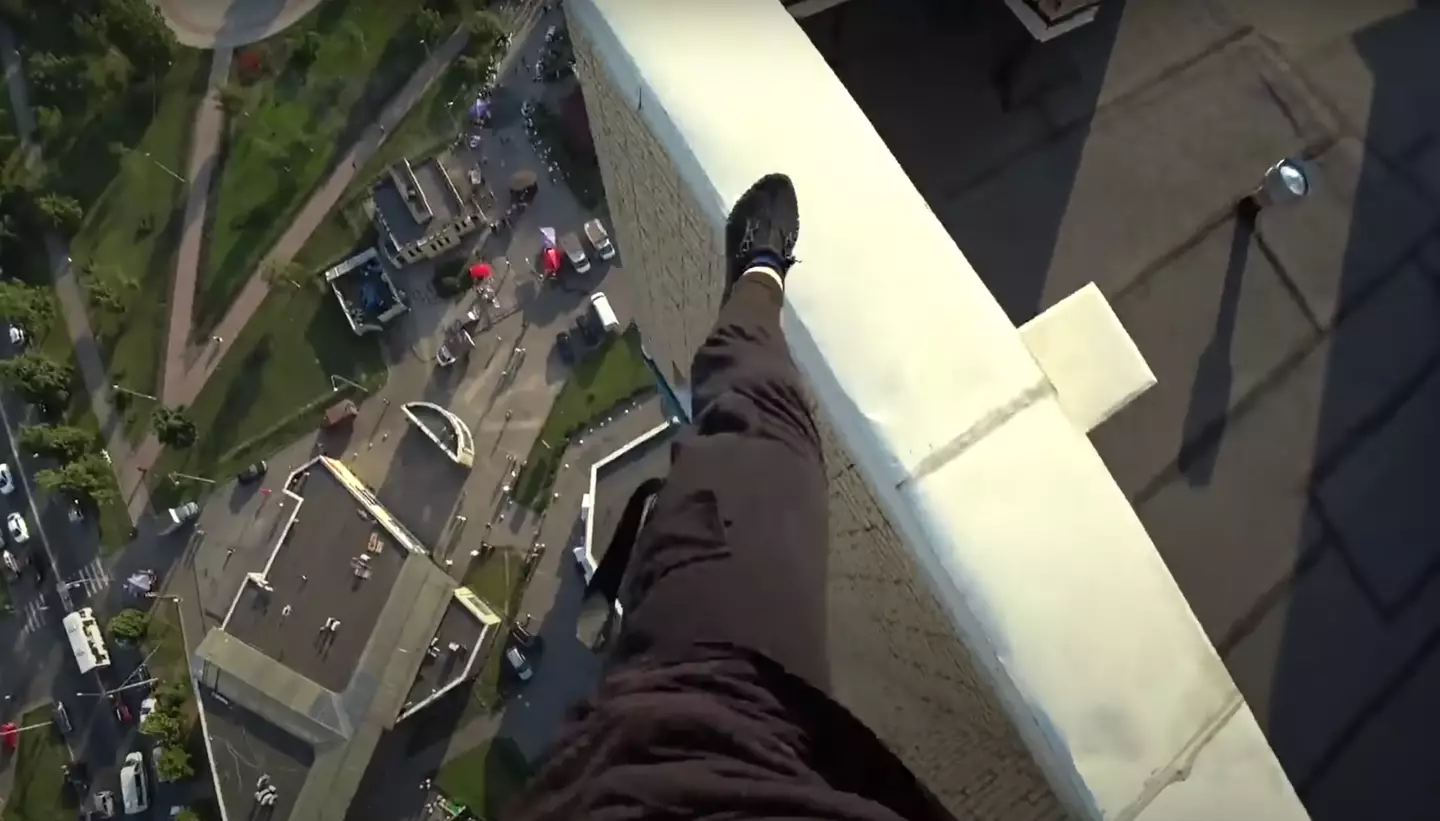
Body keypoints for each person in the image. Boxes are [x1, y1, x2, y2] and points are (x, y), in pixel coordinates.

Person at [507, 175, 955, 821]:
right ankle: (761, 270)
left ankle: (760, 271)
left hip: (670, 752)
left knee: (760, 425)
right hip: (695, 747)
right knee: (759, 425)